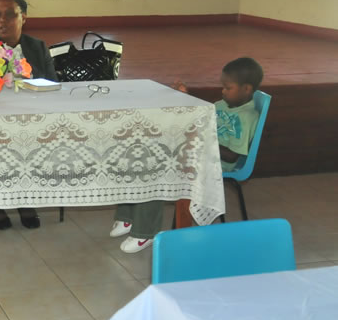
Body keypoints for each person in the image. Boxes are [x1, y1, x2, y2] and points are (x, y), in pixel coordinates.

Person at [112, 57, 264, 253]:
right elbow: (199, 117)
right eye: (223, 87)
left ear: (247, 89)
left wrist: (201, 139)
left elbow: (232, 157)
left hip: (215, 163)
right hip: (197, 153)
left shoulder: (247, 118)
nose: (222, 91)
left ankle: (145, 233)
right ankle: (127, 218)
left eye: (228, 88)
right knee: (140, 157)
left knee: (155, 169)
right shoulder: (221, 105)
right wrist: (185, 96)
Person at [0, 0, 58, 231]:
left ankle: (25, 201)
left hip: (28, 116)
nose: (2, 21)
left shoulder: (37, 47)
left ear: (24, 17)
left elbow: (52, 84)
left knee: (29, 142)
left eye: (10, 15)